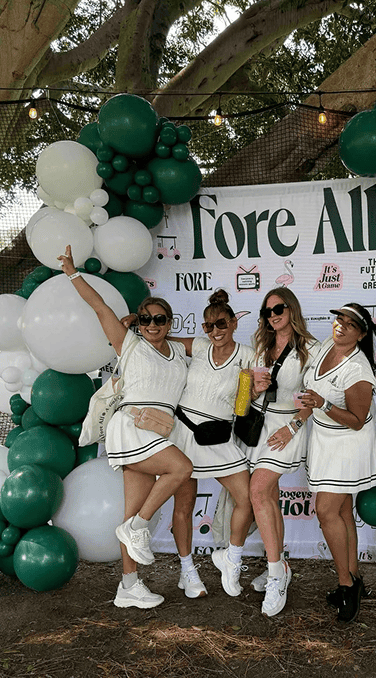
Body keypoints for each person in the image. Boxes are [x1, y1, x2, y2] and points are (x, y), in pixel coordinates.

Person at [58, 246, 193, 610]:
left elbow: (219, 347)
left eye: (160, 319)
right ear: (137, 322)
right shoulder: (129, 345)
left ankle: (128, 586)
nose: (152, 325)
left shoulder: (179, 351)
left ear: (170, 322)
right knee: (181, 469)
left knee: (131, 513)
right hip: (132, 425)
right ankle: (137, 529)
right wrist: (73, 273)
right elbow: (100, 306)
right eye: (146, 319)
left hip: (160, 429)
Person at [300, 303, 376, 623]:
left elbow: (358, 420)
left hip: (347, 444)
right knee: (343, 512)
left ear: (361, 334)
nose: (340, 326)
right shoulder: (327, 346)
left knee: (326, 510)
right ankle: (354, 578)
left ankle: (346, 586)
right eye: (338, 319)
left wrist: (322, 403)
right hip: (325, 439)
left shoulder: (358, 369)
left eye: (350, 324)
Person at [168, 290, 255, 599]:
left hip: (217, 436)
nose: (215, 332)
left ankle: (231, 557)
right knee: (184, 506)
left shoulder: (247, 355)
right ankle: (187, 570)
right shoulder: (200, 346)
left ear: (233, 323)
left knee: (248, 498)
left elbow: (243, 405)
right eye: (208, 326)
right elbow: (161, 338)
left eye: (220, 324)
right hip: (183, 432)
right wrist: (134, 325)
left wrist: (252, 389)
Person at [241, 287, 320, 617]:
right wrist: (250, 385)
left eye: (278, 308)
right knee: (268, 498)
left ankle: (276, 576)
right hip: (260, 427)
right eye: (267, 311)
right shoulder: (261, 346)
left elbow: (315, 397)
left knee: (257, 491)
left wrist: (294, 428)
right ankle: (279, 565)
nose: (272, 315)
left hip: (287, 430)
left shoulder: (311, 349)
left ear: (292, 308)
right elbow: (244, 391)